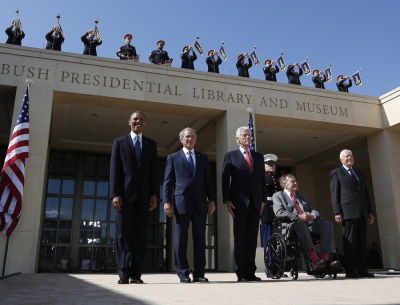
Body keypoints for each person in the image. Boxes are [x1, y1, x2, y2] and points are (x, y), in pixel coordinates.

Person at [110, 111, 159, 284]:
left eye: (142, 120)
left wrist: (155, 194)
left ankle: (136, 275)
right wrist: (115, 194)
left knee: (140, 236)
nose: (138, 121)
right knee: (123, 236)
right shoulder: (119, 142)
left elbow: (154, 172)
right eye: (135, 119)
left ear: (145, 124)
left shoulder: (151, 144)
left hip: (144, 198)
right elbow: (114, 170)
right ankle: (123, 274)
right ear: (129, 122)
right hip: (124, 196)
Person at [163, 128, 216, 283]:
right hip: (181, 203)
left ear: (196, 139)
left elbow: (208, 181)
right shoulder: (173, 157)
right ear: (181, 139)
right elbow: (167, 182)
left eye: (193, 137)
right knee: (181, 240)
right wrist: (166, 201)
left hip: (200, 204)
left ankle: (199, 273)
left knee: (200, 240)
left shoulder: (203, 157)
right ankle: (183, 272)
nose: (190, 139)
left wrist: (212, 200)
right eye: (187, 137)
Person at [222, 126, 266, 282]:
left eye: (249, 135)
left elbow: (262, 180)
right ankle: (241, 273)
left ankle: (251, 271)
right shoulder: (231, 156)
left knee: (252, 239)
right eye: (244, 135)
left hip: (255, 204)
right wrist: (227, 200)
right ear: (237, 139)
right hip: (238, 204)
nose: (248, 137)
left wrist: (263, 200)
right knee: (240, 239)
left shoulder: (258, 157)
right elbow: (225, 180)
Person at [273, 174, 342, 270]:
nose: (296, 183)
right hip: (292, 227)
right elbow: (279, 212)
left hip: (309, 226)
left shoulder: (302, 197)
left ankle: (326, 258)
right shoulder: (278, 196)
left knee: (327, 224)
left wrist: (312, 216)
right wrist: (298, 217)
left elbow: (314, 210)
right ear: (284, 184)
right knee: (300, 224)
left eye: (296, 181)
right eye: (292, 181)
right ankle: (314, 257)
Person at [330, 149, 375, 278]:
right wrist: (337, 211)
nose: (349, 158)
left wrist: (370, 212)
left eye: (351, 156)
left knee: (361, 242)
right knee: (350, 243)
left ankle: (363, 270)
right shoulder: (336, 173)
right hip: (347, 212)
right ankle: (351, 271)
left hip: (362, 212)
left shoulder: (359, 174)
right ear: (341, 160)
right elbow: (334, 194)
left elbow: (366, 194)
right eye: (346, 156)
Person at [260, 154, 283, 276]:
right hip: (266, 211)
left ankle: (278, 268)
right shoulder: (260, 177)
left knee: (279, 242)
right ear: (263, 165)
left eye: (273, 164)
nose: (271, 166)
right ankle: (269, 268)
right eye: (268, 164)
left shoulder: (279, 178)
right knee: (268, 241)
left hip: (279, 212)